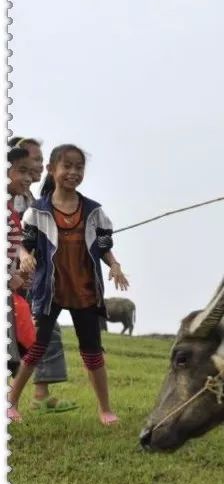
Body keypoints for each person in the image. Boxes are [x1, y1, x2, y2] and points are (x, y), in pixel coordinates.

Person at [8, 144, 130, 424]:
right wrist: (25, 257)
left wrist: (115, 265)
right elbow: (25, 245)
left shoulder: (93, 211)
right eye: (67, 166)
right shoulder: (36, 211)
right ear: (52, 170)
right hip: (50, 290)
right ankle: (11, 401)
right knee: (37, 346)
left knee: (92, 351)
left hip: (84, 290)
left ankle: (105, 409)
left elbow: (103, 244)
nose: (73, 172)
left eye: (79, 167)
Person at [8, 137, 77, 414]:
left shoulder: (31, 198)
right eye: (34, 161)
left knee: (42, 332)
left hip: (25, 279)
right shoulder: (13, 198)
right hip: (16, 279)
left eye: (38, 162)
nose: (38, 166)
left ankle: (38, 394)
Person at [7, 147, 33, 376]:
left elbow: (12, 244)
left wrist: (21, 267)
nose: (27, 178)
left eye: (29, 172)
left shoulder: (12, 208)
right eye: (21, 171)